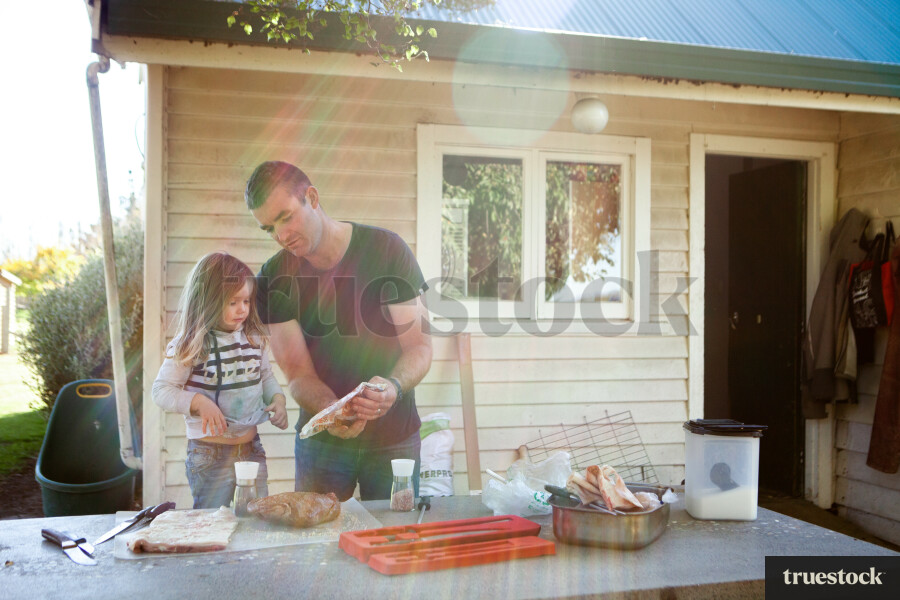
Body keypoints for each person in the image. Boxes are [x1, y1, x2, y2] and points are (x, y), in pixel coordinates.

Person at [245, 160, 433, 501]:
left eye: (286, 217)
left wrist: (393, 387)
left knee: (397, 535)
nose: (281, 236)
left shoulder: (388, 250)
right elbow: (298, 375)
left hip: (395, 440)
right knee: (317, 536)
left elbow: (419, 348)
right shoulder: (273, 279)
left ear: (312, 198)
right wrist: (333, 410)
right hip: (322, 446)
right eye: (269, 228)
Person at [152, 252, 289, 509]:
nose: (243, 309)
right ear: (209, 301)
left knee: (257, 519)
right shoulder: (191, 344)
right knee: (212, 524)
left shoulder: (254, 339)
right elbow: (161, 390)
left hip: (251, 449)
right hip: (209, 455)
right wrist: (198, 402)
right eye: (233, 302)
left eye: (246, 301)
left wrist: (278, 399)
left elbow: (266, 376)